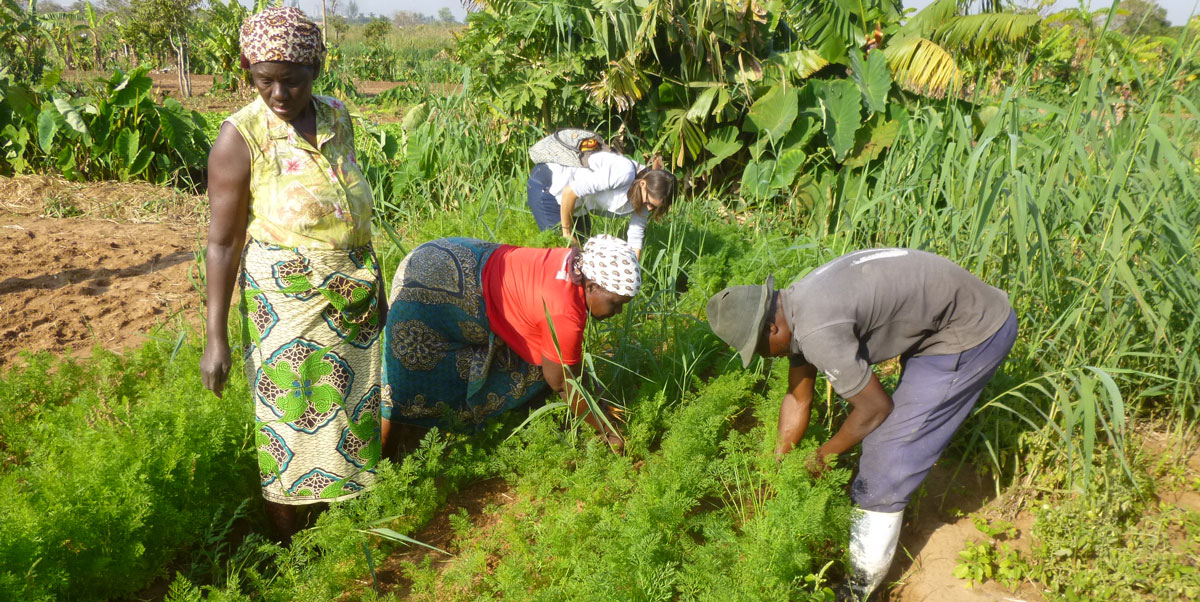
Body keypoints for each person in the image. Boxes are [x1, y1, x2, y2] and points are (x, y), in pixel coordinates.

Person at [705, 248, 1018, 601]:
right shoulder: (795, 304)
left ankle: (858, 587)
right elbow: (797, 398)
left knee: (885, 455)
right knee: (885, 433)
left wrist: (823, 456)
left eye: (760, 349)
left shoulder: (818, 330)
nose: (767, 357)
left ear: (772, 327)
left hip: (971, 331)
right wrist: (779, 463)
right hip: (942, 319)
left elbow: (875, 409)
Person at [199, 6, 383, 544]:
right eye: (265, 81)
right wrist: (215, 337)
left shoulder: (337, 116)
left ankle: (343, 536)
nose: (279, 94)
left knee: (350, 417)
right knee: (294, 425)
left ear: (317, 70)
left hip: (353, 301)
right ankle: (292, 554)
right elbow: (223, 240)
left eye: (293, 81)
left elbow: (347, 204)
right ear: (248, 73)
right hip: (289, 303)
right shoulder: (242, 136)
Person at [380, 235, 638, 455]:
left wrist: (593, 395)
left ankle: (413, 441)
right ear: (592, 286)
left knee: (530, 366)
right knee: (405, 385)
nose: (616, 312)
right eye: (614, 304)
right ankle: (384, 465)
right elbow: (561, 382)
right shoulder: (564, 311)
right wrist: (608, 432)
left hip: (455, 255)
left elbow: (567, 364)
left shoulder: (574, 266)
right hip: (431, 284)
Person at [526, 151, 677, 258]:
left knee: (583, 260)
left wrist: (633, 274)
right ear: (643, 183)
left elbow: (635, 239)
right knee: (563, 256)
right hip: (550, 186)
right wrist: (567, 233)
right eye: (649, 202)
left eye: (655, 207)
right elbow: (569, 192)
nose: (649, 208)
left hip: (577, 204)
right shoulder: (623, 173)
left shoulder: (648, 196)